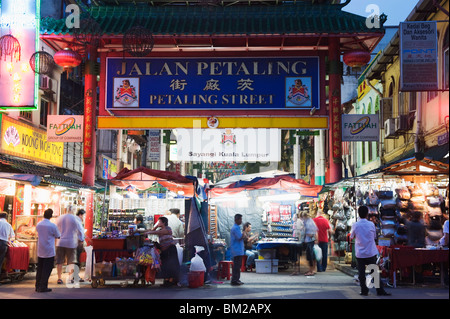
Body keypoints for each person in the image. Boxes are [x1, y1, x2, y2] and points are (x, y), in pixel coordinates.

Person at [351, 206, 391, 296]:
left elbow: (351, 236)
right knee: (374, 272)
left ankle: (364, 290)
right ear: (367, 214)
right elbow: (374, 237)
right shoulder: (371, 224)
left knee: (361, 273)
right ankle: (379, 291)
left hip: (360, 253)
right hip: (370, 251)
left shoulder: (355, 225)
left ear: (358, 214)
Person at [143, 217, 180, 287]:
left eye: (159, 222)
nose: (158, 223)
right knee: (165, 265)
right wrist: (156, 226)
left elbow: (157, 232)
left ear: (164, 223)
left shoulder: (168, 229)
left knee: (172, 265)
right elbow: (153, 230)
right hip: (164, 251)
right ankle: (166, 280)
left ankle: (171, 280)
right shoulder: (159, 229)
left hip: (170, 249)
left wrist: (149, 232)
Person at [55, 211, 85, 285]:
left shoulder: (60, 218)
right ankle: (70, 279)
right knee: (71, 261)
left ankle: (59, 278)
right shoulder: (75, 219)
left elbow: (55, 228)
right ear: (72, 211)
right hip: (71, 242)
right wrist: (81, 239)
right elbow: (80, 230)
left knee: (59, 262)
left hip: (60, 242)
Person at [35, 209, 60, 292]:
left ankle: (37, 285)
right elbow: (58, 235)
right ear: (51, 216)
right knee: (47, 269)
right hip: (49, 250)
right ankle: (43, 286)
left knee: (40, 269)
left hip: (40, 250)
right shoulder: (52, 226)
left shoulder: (39, 224)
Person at [313, 205, 333, 272]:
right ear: (322, 214)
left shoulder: (314, 220)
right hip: (325, 240)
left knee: (318, 254)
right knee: (324, 255)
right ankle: (324, 268)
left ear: (317, 214)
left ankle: (319, 268)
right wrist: (329, 237)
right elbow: (330, 231)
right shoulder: (326, 221)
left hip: (317, 240)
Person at [230, 214, 245, 285]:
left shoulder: (237, 227)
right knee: (236, 266)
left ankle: (237, 279)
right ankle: (234, 280)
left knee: (238, 265)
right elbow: (239, 237)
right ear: (236, 220)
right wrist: (244, 234)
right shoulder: (235, 228)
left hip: (238, 249)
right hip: (237, 250)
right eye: (240, 219)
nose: (241, 221)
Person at [0, 212, 15, 285]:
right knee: (0, 261)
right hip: (3, 244)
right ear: (6, 218)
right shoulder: (8, 225)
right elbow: (12, 236)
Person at [302, 211, 318, 276]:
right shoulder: (311, 221)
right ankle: (312, 270)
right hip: (311, 241)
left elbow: (311, 233)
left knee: (310, 256)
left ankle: (311, 271)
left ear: (304, 216)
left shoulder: (309, 222)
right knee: (312, 256)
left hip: (309, 241)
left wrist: (306, 234)